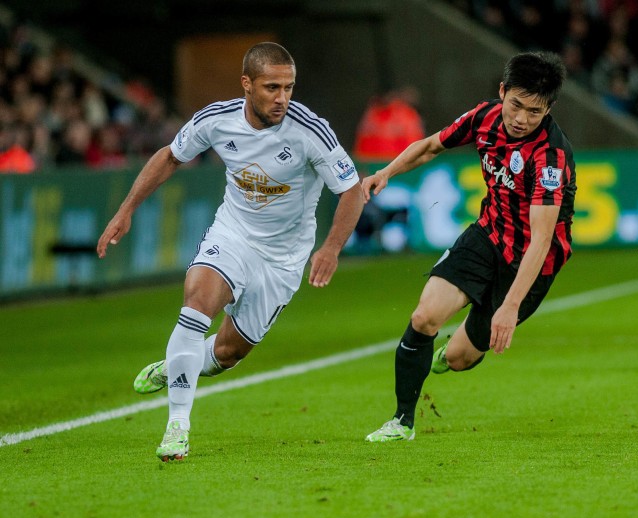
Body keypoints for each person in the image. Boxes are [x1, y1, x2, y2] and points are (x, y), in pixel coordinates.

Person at [96, 42, 364, 460]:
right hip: (234, 234)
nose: (282, 98)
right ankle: (177, 427)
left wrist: (331, 247)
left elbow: (351, 190)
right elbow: (170, 157)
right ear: (247, 84)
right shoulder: (216, 120)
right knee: (197, 302)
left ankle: (174, 366)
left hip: (284, 258)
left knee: (227, 353)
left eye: (289, 87)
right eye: (272, 87)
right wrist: (127, 209)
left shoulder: (309, 130)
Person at [361, 51, 576, 442]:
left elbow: (542, 239)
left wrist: (509, 306)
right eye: (516, 105)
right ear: (501, 92)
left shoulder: (550, 156)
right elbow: (430, 146)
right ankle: (402, 422)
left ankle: (452, 351)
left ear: (549, 108)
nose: (522, 119)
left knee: (459, 359)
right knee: (425, 316)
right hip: (487, 236)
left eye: (535, 111)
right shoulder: (485, 118)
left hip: (531, 264)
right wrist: (387, 172)